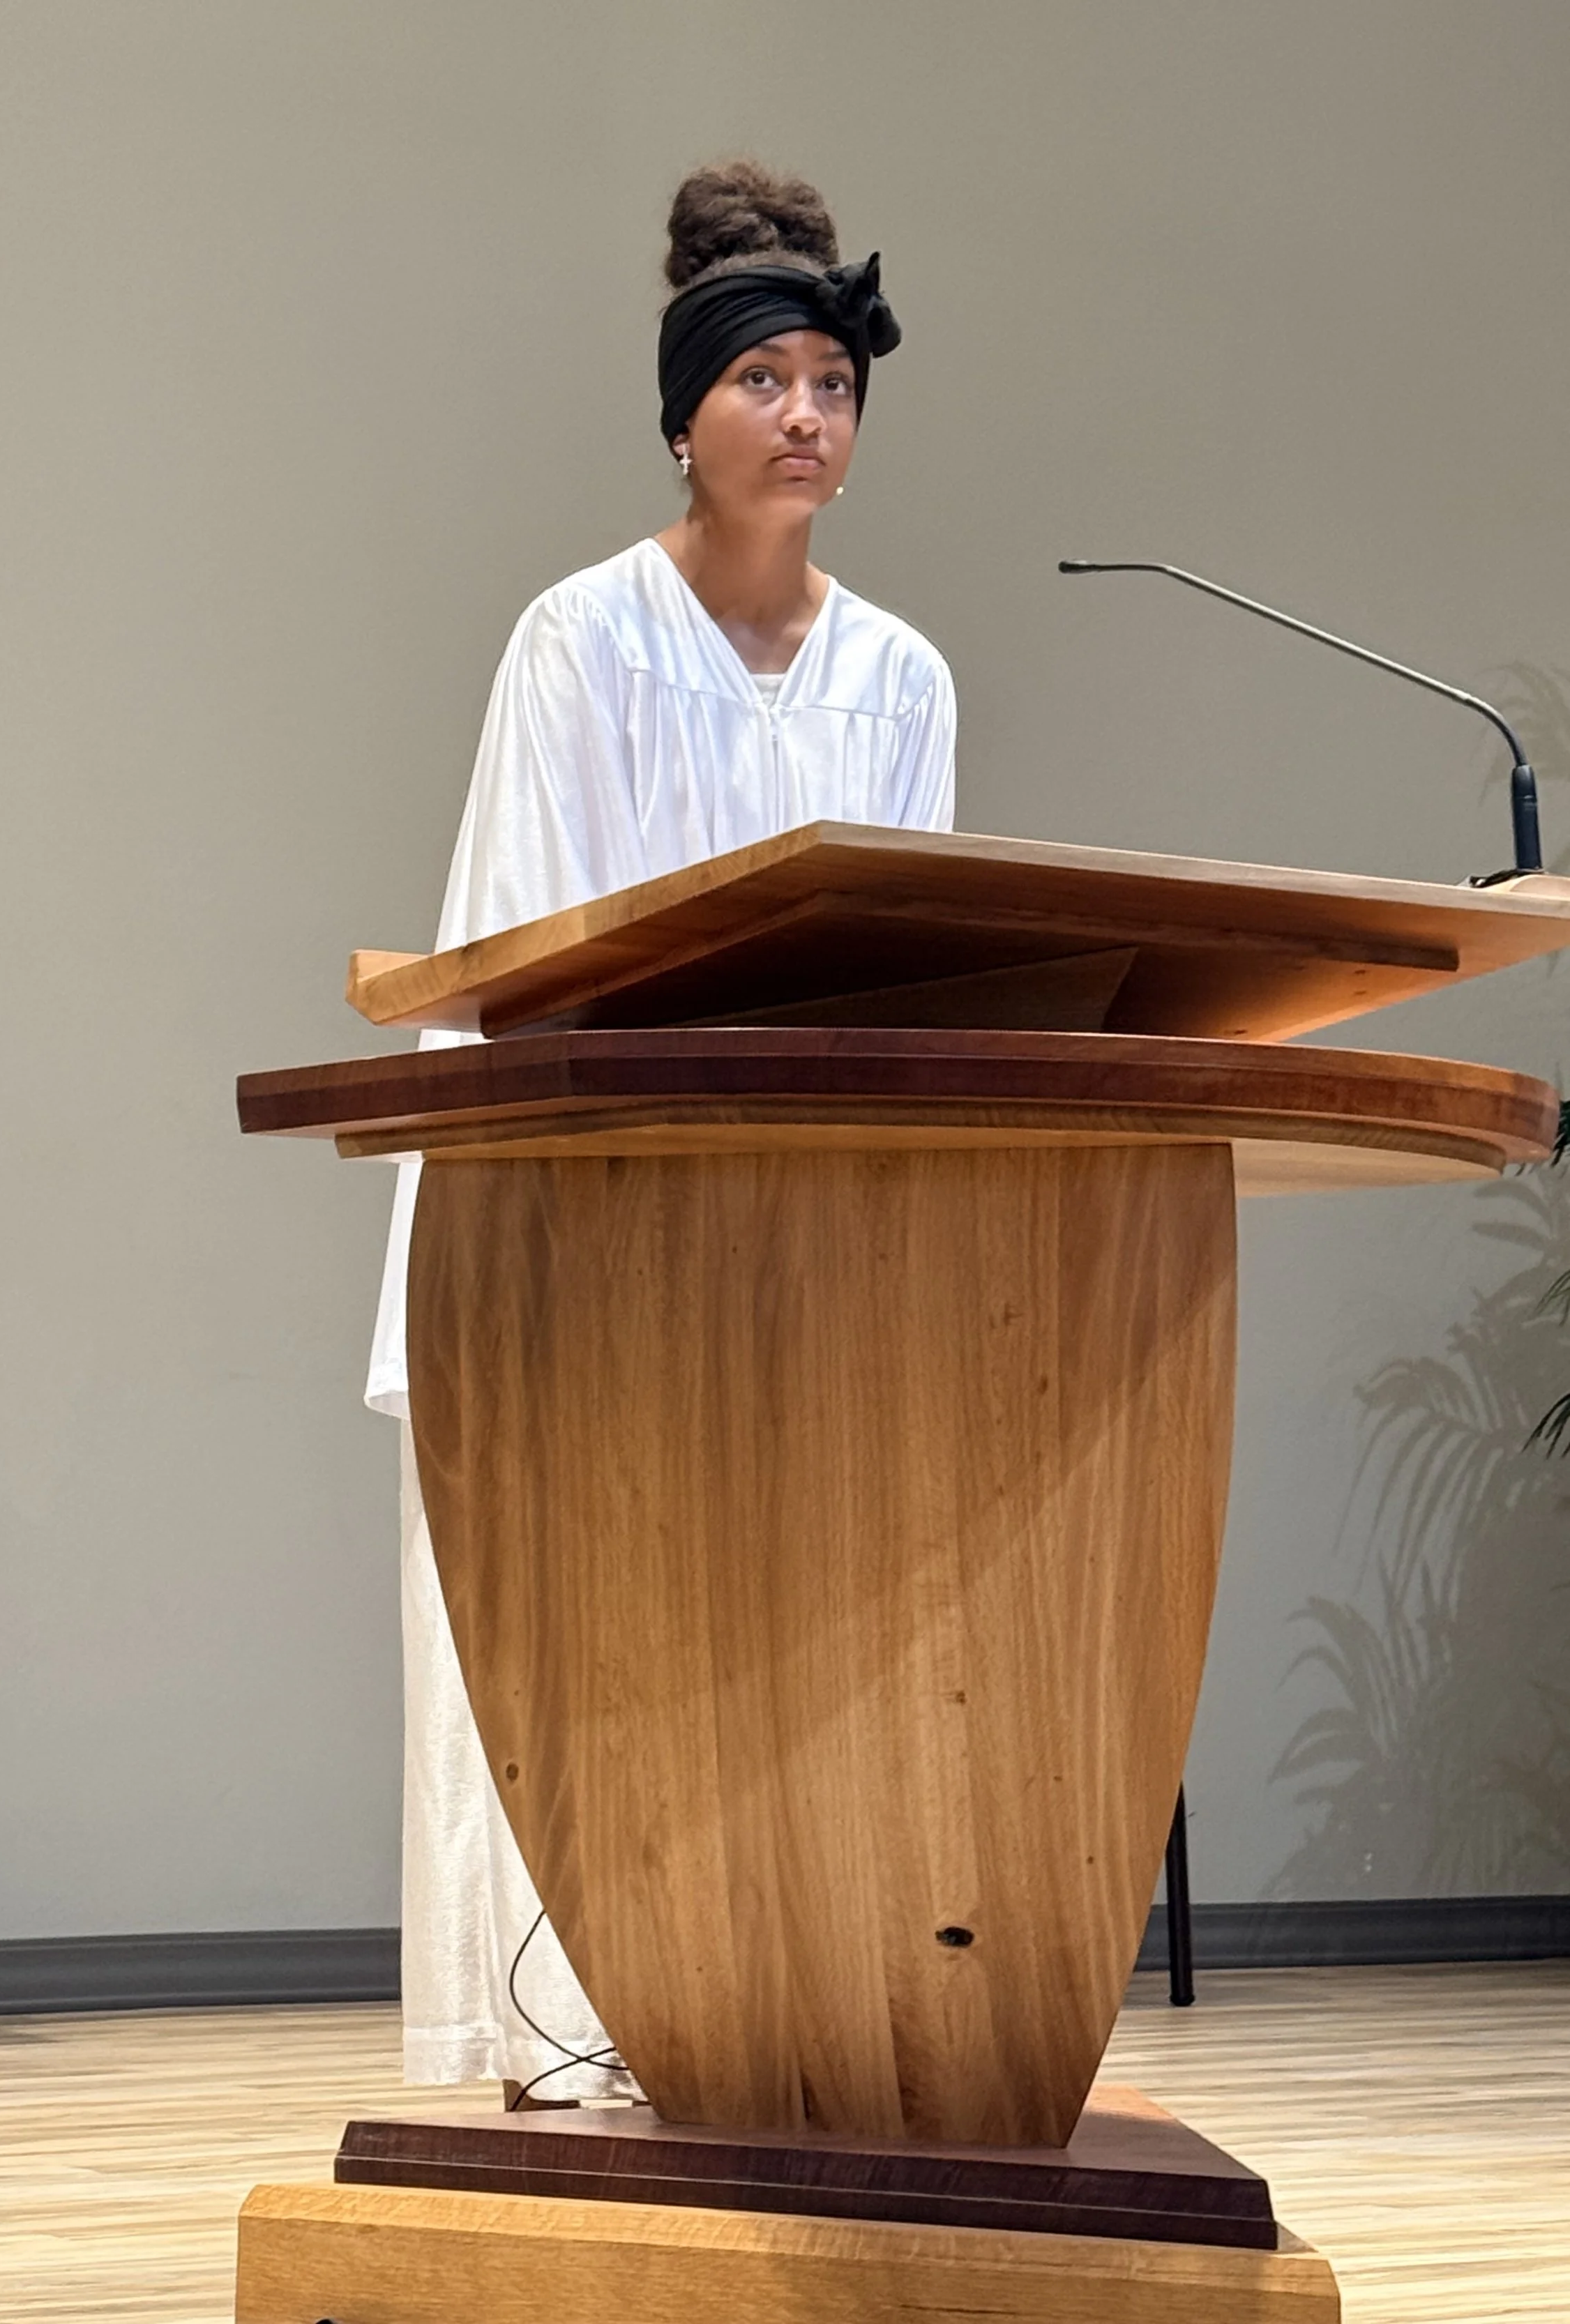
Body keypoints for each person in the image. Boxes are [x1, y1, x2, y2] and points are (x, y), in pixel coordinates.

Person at [365, 158, 958, 2097]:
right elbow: (538, 955)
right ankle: (573, 2029)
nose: (804, 413)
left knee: (793, 1638)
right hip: (591, 1227)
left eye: (832, 382)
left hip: (818, 1245)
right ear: (685, 411)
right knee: (584, 1640)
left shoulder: (901, 677)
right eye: (764, 378)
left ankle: (770, 2009)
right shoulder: (582, 643)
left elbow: (918, 976)